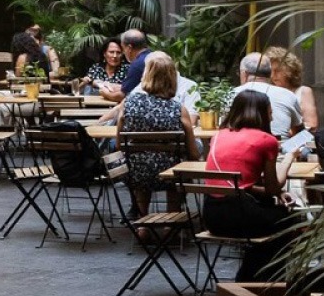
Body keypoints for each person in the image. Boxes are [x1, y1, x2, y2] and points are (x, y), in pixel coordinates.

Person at [201, 89, 297, 281]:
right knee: (290, 222)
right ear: (263, 114)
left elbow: (237, 185)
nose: (271, 117)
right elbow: (273, 188)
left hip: (212, 216)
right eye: (270, 112)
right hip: (241, 216)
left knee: (272, 218)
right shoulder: (266, 141)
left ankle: (250, 276)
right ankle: (259, 278)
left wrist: (272, 194)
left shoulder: (218, 136)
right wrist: (289, 158)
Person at [114, 52, 199, 219]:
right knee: (179, 168)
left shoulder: (129, 104)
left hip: (135, 173)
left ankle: (143, 221)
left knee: (141, 163)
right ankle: (171, 220)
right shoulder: (178, 109)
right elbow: (194, 153)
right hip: (171, 174)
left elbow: (119, 145)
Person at [232, 52, 304, 145]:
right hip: (279, 152)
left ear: (244, 74)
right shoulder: (288, 95)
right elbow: (300, 133)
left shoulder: (232, 94)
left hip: (241, 150)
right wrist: (288, 150)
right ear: (270, 74)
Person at [265, 46, 321, 140]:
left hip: (297, 142)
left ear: (290, 69)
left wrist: (283, 131)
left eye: (277, 70)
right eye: (271, 71)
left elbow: (312, 125)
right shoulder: (267, 91)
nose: (273, 75)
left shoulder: (303, 91)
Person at [118, 29, 152, 94]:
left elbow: (125, 94)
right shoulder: (152, 56)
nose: (123, 52)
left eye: (123, 48)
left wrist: (104, 92)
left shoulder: (137, 65)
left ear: (129, 48)